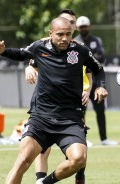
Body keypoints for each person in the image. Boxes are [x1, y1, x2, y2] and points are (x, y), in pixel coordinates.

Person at [0, 17, 108, 184]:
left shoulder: (80, 50)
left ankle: (46, 182)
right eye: (60, 34)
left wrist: (100, 86)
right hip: (41, 118)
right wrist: (2, 51)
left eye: (68, 34)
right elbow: (21, 54)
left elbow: (99, 69)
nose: (65, 38)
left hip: (70, 119)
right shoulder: (39, 47)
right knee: (23, 160)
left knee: (79, 159)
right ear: (50, 33)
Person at [24, 9, 92, 184]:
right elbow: (32, 60)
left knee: (79, 140)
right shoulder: (48, 45)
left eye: (72, 22)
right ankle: (41, 179)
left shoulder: (80, 48)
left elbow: (92, 70)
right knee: (42, 144)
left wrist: (89, 89)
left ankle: (79, 175)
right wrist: (29, 68)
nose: (70, 24)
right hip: (48, 102)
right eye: (66, 21)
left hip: (75, 100)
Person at [74, 15, 118, 145]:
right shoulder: (75, 41)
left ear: (89, 27)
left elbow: (102, 57)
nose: (84, 29)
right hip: (82, 82)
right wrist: (92, 58)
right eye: (81, 27)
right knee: (81, 111)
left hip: (96, 80)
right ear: (77, 28)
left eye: (85, 26)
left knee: (100, 111)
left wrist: (89, 59)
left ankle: (104, 139)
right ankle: (82, 138)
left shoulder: (96, 40)